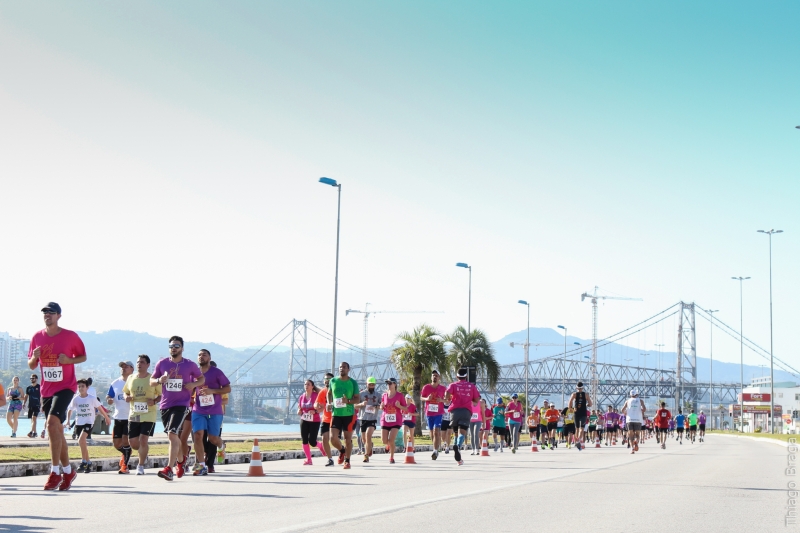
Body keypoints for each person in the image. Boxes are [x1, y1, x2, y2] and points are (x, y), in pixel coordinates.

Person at [28, 302, 87, 491]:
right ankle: (68, 471)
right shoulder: (37, 337)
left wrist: (69, 360)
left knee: (51, 424)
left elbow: (83, 356)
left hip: (66, 387)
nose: (47, 315)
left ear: (59, 316)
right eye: (45, 312)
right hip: (46, 390)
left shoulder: (70, 336)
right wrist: (35, 357)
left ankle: (54, 472)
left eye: (51, 313)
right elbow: (30, 365)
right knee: (57, 431)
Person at [151, 336, 204, 481]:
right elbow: (151, 381)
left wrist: (193, 385)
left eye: (176, 345)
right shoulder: (162, 363)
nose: (173, 348)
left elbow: (201, 379)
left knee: (172, 434)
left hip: (182, 404)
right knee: (173, 436)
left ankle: (169, 468)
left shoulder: (189, 365)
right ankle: (181, 461)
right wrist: (158, 380)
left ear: (182, 348)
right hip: (165, 405)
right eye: (171, 346)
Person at [191, 349, 231, 475]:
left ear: (209, 358)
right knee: (197, 436)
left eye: (204, 355)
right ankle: (201, 465)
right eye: (199, 355)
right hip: (198, 409)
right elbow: (190, 389)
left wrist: (212, 391)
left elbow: (228, 388)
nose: (201, 357)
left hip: (215, 410)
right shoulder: (193, 373)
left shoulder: (216, 372)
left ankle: (222, 445)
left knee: (213, 438)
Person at [123, 355, 161, 475]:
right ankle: (144, 453)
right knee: (133, 443)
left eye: (142, 362)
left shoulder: (153, 379)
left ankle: (140, 465)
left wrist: (154, 401)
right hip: (134, 413)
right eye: (138, 362)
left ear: (148, 365)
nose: (139, 364)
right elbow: (125, 392)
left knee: (143, 440)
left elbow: (161, 395)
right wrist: (127, 398)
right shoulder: (131, 377)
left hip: (149, 414)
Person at [66, 379, 111, 473]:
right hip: (79, 423)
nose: (81, 388)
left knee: (81, 440)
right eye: (79, 387)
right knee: (83, 443)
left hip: (89, 422)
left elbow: (100, 408)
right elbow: (70, 410)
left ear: (87, 388)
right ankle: (89, 462)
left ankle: (83, 462)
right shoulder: (76, 398)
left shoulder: (91, 398)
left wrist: (106, 418)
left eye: (83, 386)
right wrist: (68, 421)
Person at [444, 368, 480, 466]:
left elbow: (447, 394)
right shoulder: (471, 386)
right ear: (466, 376)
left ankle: (458, 459)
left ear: (457, 376)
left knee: (456, 432)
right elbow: (476, 400)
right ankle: (458, 446)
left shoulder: (453, 385)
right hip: (466, 411)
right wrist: (472, 400)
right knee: (462, 432)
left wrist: (447, 398)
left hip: (454, 411)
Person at [327, 361, 360, 470]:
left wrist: (348, 401)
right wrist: (329, 403)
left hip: (349, 415)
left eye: (344, 367)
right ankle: (342, 450)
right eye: (340, 367)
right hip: (336, 414)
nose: (342, 369)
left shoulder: (353, 383)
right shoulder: (333, 381)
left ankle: (347, 461)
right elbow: (329, 393)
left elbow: (357, 399)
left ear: (348, 369)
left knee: (347, 439)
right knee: (332, 438)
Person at [107, 361, 134, 474]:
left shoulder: (135, 381)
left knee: (125, 440)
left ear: (132, 369)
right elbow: (109, 396)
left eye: (126, 367)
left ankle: (125, 466)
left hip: (131, 417)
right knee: (117, 444)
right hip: (118, 417)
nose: (123, 368)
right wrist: (109, 400)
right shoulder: (115, 383)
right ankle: (126, 453)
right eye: (122, 367)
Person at [380, 377, 407, 464]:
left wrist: (399, 406)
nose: (388, 385)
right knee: (384, 440)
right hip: (385, 420)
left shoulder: (400, 396)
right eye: (387, 383)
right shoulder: (384, 395)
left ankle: (391, 457)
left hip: (396, 421)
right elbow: (381, 406)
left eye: (390, 383)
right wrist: (381, 406)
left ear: (395, 384)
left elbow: (406, 408)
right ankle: (388, 445)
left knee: (391, 440)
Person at [420, 370, 446, 460]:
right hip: (429, 413)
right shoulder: (426, 387)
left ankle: (435, 451)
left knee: (436, 431)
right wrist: (427, 398)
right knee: (432, 433)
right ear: (431, 377)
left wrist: (441, 400)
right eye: (433, 375)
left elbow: (448, 400)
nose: (434, 377)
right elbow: (421, 397)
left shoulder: (443, 388)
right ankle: (436, 446)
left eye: (436, 375)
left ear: (439, 378)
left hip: (438, 413)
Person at [298, 379, 324, 465]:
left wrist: (316, 411)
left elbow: (323, 407)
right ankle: (308, 459)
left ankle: (321, 446)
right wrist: (299, 411)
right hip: (304, 420)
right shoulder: (302, 396)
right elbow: (300, 407)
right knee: (304, 440)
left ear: (312, 386)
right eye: (305, 384)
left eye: (308, 384)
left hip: (314, 420)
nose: (306, 386)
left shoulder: (316, 395)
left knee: (312, 441)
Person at [356, 376, 380, 462]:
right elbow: (355, 405)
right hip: (362, 418)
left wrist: (377, 406)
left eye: (373, 385)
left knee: (368, 435)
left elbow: (381, 406)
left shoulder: (378, 395)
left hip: (372, 418)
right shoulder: (361, 394)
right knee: (364, 439)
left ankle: (366, 455)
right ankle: (370, 445)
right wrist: (362, 404)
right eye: (370, 384)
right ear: (366, 384)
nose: (371, 386)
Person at [315, 373, 335, 467]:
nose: (327, 380)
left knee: (334, 439)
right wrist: (317, 406)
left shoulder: (336, 391)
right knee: (324, 439)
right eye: (325, 379)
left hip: (336, 418)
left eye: (329, 379)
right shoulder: (322, 391)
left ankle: (342, 449)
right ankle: (330, 459)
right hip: (325, 419)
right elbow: (316, 403)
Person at [568, 382, 592, 450]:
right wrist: (586, 405)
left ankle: (576, 441)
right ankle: (578, 440)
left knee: (577, 428)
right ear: (583, 388)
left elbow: (570, 402)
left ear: (576, 388)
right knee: (582, 428)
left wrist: (570, 408)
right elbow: (590, 404)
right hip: (583, 413)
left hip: (576, 413)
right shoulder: (586, 395)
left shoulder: (574, 394)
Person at [621, 390, 645, 454]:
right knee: (637, 435)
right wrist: (640, 411)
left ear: (630, 395)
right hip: (638, 420)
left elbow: (622, 410)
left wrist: (626, 413)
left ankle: (632, 449)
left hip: (629, 420)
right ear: (637, 394)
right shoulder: (641, 401)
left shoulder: (627, 401)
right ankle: (636, 441)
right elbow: (644, 409)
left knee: (630, 435)